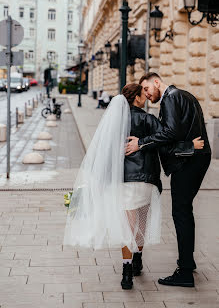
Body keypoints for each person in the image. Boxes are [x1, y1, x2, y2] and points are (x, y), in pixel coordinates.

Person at [64, 83, 204, 290]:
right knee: (141, 222)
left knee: (127, 226)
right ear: (137, 98)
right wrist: (190, 146)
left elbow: (103, 153)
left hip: (124, 181)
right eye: (143, 94)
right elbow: (166, 144)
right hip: (146, 179)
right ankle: (138, 259)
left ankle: (127, 271)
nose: (146, 96)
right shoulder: (148, 119)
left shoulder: (113, 122)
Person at [126, 73, 211, 288]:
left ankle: (184, 272)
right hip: (194, 159)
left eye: (146, 89)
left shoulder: (170, 97)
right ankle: (187, 263)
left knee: (181, 212)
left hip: (187, 163)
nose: (145, 94)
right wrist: (189, 146)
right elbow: (184, 131)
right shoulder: (185, 95)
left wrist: (142, 143)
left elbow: (171, 132)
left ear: (156, 82)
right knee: (184, 211)